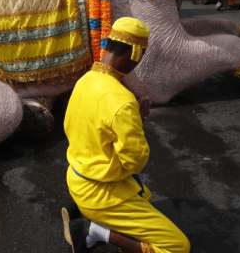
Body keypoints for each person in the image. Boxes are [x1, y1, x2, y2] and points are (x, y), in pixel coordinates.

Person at [61, 17, 189, 253]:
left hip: (77, 178)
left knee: (144, 195)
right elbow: (135, 162)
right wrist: (137, 121)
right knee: (177, 247)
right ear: (135, 55)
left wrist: (133, 118)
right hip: (100, 194)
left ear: (107, 45)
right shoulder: (123, 102)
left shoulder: (85, 80)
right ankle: (94, 231)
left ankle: (90, 219)